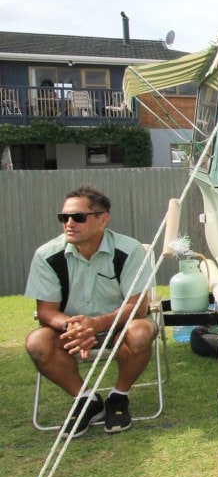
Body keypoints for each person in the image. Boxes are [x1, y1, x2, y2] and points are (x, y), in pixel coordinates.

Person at [24, 185, 156, 438]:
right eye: (64, 218)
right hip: (71, 331)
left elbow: (138, 306)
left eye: (78, 217)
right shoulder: (46, 255)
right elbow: (46, 312)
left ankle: (119, 396)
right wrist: (73, 327)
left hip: (120, 326)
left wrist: (96, 324)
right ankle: (86, 399)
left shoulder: (129, 250)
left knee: (140, 332)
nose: (69, 223)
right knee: (37, 341)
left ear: (102, 219)